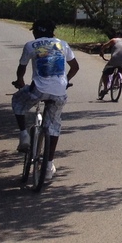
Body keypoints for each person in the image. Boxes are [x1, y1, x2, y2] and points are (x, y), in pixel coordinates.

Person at [12, 18, 79, 185]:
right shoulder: (62, 44)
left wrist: (20, 81)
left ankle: (24, 136)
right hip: (59, 92)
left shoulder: (30, 45)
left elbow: (22, 68)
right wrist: (66, 81)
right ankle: (48, 167)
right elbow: (75, 67)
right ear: (52, 32)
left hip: (38, 91)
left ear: (36, 32)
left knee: (18, 102)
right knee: (54, 126)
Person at [98, 33, 122, 100]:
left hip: (114, 59)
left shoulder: (114, 40)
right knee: (120, 69)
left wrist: (102, 52)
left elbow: (104, 46)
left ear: (118, 35)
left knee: (105, 72)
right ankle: (117, 81)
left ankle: (106, 88)